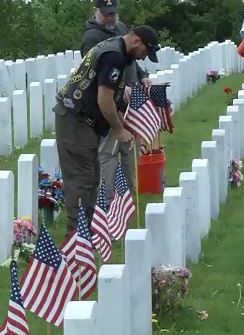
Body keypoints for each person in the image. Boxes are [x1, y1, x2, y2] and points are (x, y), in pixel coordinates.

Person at [53, 25, 160, 232]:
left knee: (92, 175)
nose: (142, 58)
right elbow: (104, 100)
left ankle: (87, 231)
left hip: (81, 120)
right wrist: (119, 130)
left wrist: (122, 119)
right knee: (82, 178)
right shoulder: (114, 56)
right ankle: (76, 235)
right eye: (145, 52)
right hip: (75, 120)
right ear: (137, 41)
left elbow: (110, 96)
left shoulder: (113, 48)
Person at [80, 0, 151, 205]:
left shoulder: (120, 29)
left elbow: (133, 58)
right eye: (106, 14)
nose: (111, 18)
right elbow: (95, 74)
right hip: (110, 101)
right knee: (109, 151)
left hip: (131, 97)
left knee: (130, 146)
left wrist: (142, 75)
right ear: (96, 12)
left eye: (113, 13)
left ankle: (129, 193)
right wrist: (120, 87)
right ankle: (108, 198)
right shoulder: (92, 37)